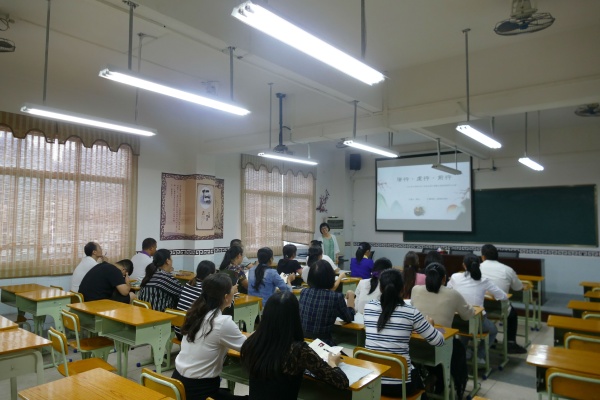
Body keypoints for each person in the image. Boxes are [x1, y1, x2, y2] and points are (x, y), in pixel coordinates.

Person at [241, 291, 349, 399]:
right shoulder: (298, 350)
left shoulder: (253, 342)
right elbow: (342, 382)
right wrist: (332, 362)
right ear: (295, 316)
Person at [364, 269, 444, 398]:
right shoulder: (411, 312)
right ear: (403, 289)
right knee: (420, 384)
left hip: (371, 381)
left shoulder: (369, 307)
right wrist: (430, 327)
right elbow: (438, 341)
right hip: (400, 386)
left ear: (380, 288)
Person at [172, 274, 247, 400]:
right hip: (200, 391)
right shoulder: (221, 322)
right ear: (226, 297)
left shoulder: (195, 313)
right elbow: (249, 348)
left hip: (178, 382)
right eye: (232, 289)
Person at [411, 262, 474, 399]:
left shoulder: (415, 289)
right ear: (444, 278)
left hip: (415, 346)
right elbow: (467, 316)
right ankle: (450, 383)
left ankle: (433, 377)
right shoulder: (453, 294)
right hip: (439, 346)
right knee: (458, 348)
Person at [447, 253, 508, 363]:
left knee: (465, 329)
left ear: (464, 265)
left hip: (456, 321)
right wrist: (487, 293)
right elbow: (503, 296)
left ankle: (463, 353)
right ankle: (480, 356)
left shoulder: (455, 277)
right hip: (477, 322)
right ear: (479, 265)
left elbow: (448, 291)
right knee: (493, 331)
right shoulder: (484, 280)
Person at [479, 244, 527, 354]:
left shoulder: (476, 268)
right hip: (499, 309)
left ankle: (488, 336)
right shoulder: (507, 270)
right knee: (512, 314)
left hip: (479, 309)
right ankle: (510, 343)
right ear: (497, 256)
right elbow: (518, 288)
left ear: (483, 257)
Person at [299, 260, 355, 345]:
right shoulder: (335, 297)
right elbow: (349, 317)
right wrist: (351, 297)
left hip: (303, 342)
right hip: (322, 345)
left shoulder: (304, 292)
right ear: (330, 277)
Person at [175, 260, 216, 339]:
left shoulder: (188, 284)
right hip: (190, 334)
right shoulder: (205, 289)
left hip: (179, 331)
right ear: (210, 275)